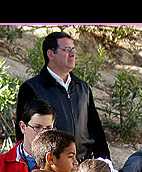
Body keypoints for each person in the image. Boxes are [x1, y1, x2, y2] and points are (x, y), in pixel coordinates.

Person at [15, 31, 110, 161]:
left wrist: (105, 159)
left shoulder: (83, 88)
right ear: (50, 54)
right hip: (51, 166)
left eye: (73, 49)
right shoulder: (31, 89)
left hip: (83, 165)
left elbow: (95, 128)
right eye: (66, 50)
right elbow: (23, 134)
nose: (73, 54)